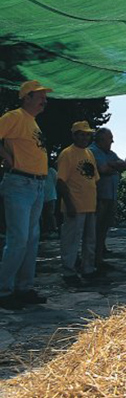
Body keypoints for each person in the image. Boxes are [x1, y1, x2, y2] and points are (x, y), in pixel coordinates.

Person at [0, 81, 52, 309]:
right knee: (18, 239)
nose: (45, 100)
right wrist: (5, 156)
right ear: (27, 97)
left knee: (31, 240)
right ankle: (4, 291)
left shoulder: (32, 122)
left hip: (36, 185)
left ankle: (24, 288)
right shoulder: (15, 116)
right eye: (41, 96)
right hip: (20, 183)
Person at [57, 121, 101, 286]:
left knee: (90, 240)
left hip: (90, 204)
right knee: (71, 239)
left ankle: (87, 268)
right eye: (81, 134)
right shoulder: (67, 154)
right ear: (74, 135)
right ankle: (68, 271)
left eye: (87, 134)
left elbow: (94, 180)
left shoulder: (89, 154)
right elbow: (61, 181)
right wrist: (69, 204)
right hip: (75, 205)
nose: (85, 137)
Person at [89, 127, 126, 272]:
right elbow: (102, 169)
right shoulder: (92, 151)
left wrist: (111, 165)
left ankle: (99, 256)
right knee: (95, 228)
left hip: (110, 195)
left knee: (103, 227)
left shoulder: (110, 153)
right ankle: (93, 258)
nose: (112, 141)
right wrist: (113, 166)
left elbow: (124, 165)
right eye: (110, 138)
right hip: (99, 196)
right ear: (101, 139)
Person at [41, 163, 58, 240]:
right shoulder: (39, 170)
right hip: (41, 197)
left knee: (50, 214)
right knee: (42, 215)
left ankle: (53, 230)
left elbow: (56, 180)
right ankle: (44, 230)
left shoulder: (51, 171)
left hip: (51, 196)